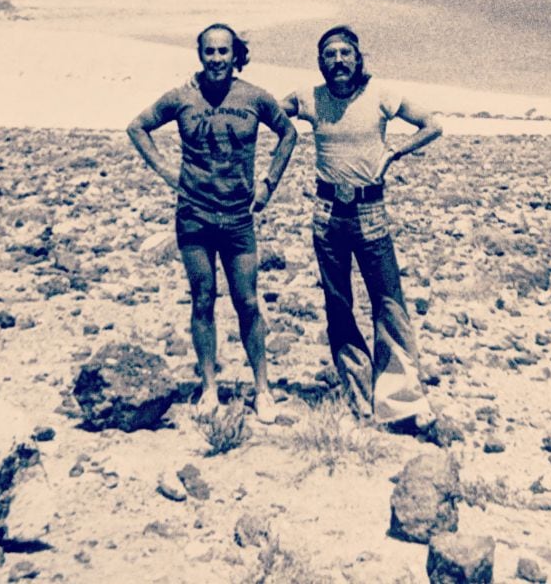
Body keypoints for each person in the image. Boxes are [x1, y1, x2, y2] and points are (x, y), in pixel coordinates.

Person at [127, 24, 296, 422]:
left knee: (248, 302)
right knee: (202, 298)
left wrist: (268, 185)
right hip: (194, 215)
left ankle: (262, 389)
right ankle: (209, 388)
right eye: (210, 51)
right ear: (199, 54)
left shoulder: (254, 97)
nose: (216, 58)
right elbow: (137, 127)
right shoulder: (182, 97)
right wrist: (169, 174)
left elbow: (288, 134)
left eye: (224, 51)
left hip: (238, 217)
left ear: (236, 55)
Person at [281, 25, 442, 430]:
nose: (338, 61)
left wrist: (395, 153)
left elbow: (432, 124)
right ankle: (359, 397)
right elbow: (268, 111)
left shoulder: (381, 95)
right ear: (321, 63)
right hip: (326, 211)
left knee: (389, 303)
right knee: (339, 306)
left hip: (372, 212)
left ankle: (399, 401)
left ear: (357, 58)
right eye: (329, 54)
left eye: (344, 54)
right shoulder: (309, 98)